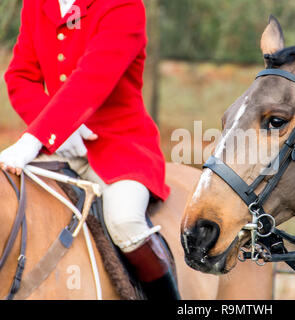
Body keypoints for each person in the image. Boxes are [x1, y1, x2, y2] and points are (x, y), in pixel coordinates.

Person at [0, 0, 178, 299]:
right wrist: (55, 130)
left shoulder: (124, 6)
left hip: (120, 147)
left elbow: (92, 77)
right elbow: (20, 77)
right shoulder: (36, 5)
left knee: (125, 221)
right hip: (56, 144)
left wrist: (37, 137)